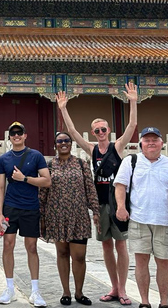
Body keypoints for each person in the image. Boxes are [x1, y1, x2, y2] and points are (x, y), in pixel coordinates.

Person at [57, 82, 138, 306]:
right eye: (97, 130)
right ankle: (113, 286)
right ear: (93, 132)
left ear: (108, 130)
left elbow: (132, 125)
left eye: (104, 129)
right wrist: (63, 108)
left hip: (118, 201)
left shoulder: (117, 146)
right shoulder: (92, 149)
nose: (101, 133)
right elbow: (72, 132)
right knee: (105, 245)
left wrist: (132, 101)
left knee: (121, 245)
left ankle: (122, 288)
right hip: (100, 202)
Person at [114, 127, 168, 308]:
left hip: (165, 220)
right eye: (147, 140)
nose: (151, 143)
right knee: (141, 261)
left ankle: (164, 302)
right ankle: (145, 302)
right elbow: (120, 186)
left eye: (155, 139)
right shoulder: (131, 161)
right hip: (139, 219)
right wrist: (121, 207)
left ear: (162, 143)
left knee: (163, 262)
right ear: (141, 144)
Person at [39, 131, 100, 306]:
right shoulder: (49, 166)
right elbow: (43, 192)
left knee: (79, 256)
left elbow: (90, 188)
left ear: (71, 144)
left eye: (66, 140)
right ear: (55, 145)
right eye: (60, 141)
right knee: (62, 253)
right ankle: (66, 292)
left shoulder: (82, 164)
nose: (63, 143)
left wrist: (95, 211)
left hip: (79, 215)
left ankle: (79, 292)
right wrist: (41, 215)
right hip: (56, 215)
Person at [0, 122, 51, 306]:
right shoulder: (4, 159)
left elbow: (46, 181)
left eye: (20, 133)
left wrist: (25, 178)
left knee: (32, 247)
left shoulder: (36, 156)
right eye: (13, 133)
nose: (16, 136)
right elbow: (0, 186)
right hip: (11, 207)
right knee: (8, 245)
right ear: (9, 137)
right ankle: (9, 288)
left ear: (25, 135)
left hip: (30, 207)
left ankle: (35, 290)